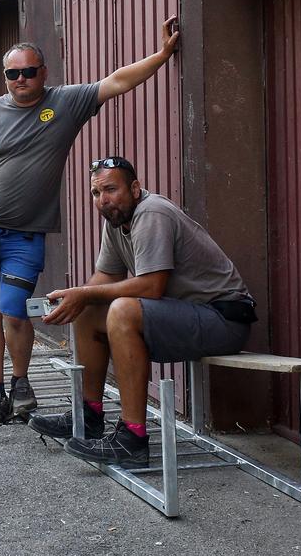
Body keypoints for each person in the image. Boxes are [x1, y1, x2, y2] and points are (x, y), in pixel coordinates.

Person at [0, 20, 180, 426]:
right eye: (12, 73)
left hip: (24, 235)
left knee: (15, 310)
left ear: (43, 72)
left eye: (28, 71)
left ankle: (21, 383)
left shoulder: (65, 103)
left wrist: (162, 55)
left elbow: (117, 82)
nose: (20, 79)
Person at [29, 157, 256, 467]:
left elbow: (151, 287)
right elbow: (106, 278)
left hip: (223, 320)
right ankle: (89, 415)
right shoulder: (116, 220)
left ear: (135, 188)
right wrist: (74, 298)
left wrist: (84, 293)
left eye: (111, 189)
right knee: (87, 309)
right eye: (96, 193)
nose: (103, 200)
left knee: (122, 310)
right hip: (187, 314)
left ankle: (132, 439)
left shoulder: (151, 212)